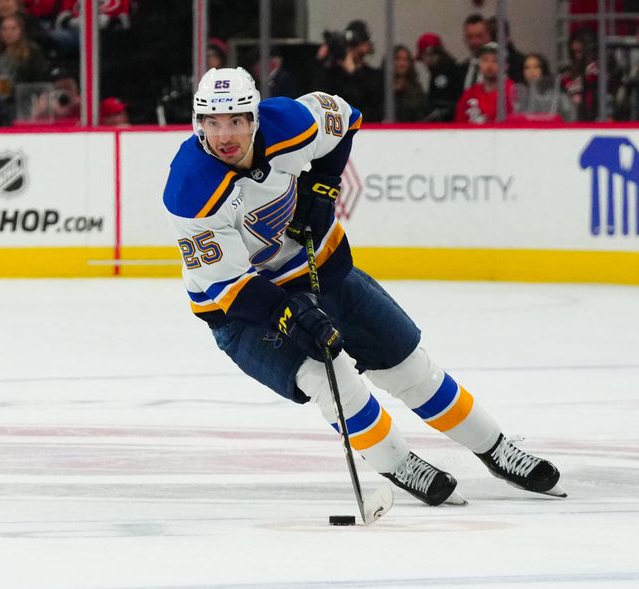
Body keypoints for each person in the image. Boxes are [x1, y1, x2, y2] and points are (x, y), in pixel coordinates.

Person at [161, 67, 565, 507]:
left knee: (409, 367)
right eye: (213, 122)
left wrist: (322, 186)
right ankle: (397, 462)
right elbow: (229, 288)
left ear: (255, 117)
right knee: (327, 376)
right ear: (197, 124)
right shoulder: (190, 190)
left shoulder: (291, 123)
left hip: (319, 265)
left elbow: (347, 119)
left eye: (237, 119)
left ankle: (496, 448)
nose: (225, 135)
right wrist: (292, 314)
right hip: (244, 310)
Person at [312, 19, 384, 122]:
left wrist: (353, 72)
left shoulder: (375, 77)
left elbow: (372, 109)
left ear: (366, 45)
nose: (350, 48)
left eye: (355, 43)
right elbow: (315, 99)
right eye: (347, 44)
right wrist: (320, 62)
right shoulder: (331, 75)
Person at [0, 13, 47, 125]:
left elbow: (40, 78)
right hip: (1, 99)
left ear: (20, 31)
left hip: (24, 100)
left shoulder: (32, 52)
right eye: (4, 29)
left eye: (13, 29)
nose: (8, 33)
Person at [456, 42, 515, 124]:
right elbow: (459, 124)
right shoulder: (469, 93)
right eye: (485, 60)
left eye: (495, 61)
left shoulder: (512, 91)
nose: (489, 65)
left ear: (506, 66)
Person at [513, 52, 576, 122]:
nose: (531, 71)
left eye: (536, 67)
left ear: (543, 69)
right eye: (527, 68)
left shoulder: (557, 94)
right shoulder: (520, 94)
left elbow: (570, 118)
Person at [414, 32, 460, 122]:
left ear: (429, 54)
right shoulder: (453, 69)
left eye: (423, 57)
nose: (424, 63)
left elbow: (441, 106)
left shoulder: (440, 74)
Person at [391, 44, 426, 122]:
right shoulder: (380, 87)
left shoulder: (416, 89)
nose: (402, 64)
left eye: (406, 60)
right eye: (397, 59)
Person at [458, 13, 491, 91]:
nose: (474, 41)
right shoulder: (460, 70)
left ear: (489, 36)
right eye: (470, 37)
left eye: (479, 36)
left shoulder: (499, 68)